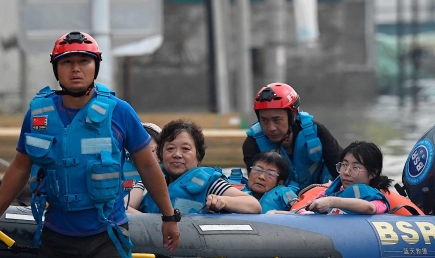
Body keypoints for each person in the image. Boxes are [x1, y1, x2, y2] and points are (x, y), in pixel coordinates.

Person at [0, 31, 181, 258]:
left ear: (95, 66)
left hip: (106, 235)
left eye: (83, 61)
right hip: (57, 236)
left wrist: (169, 217)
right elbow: (20, 167)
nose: (75, 69)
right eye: (66, 62)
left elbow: (147, 166)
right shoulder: (38, 115)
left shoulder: (120, 112)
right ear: (56, 68)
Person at [131, 119, 261, 215]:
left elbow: (254, 205)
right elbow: (124, 208)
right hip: (155, 245)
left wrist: (223, 200)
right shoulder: (149, 180)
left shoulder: (211, 184)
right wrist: (152, 222)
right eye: (170, 149)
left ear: (198, 157)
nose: (177, 155)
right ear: (160, 155)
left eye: (185, 149)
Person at [243, 83, 341, 188]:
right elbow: (256, 188)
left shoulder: (318, 132)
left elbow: (342, 170)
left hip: (321, 195)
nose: (271, 128)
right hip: (279, 199)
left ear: (293, 115)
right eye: (264, 120)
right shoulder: (252, 143)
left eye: (277, 120)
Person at [291, 141, 392, 215]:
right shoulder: (329, 193)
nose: (346, 172)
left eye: (355, 168)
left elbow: (369, 208)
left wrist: (331, 202)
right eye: (344, 165)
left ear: (373, 173)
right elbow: (303, 211)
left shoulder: (377, 200)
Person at [124, 122, 161, 206]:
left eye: (153, 151)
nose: (146, 156)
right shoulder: (120, 165)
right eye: (140, 150)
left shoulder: (167, 169)